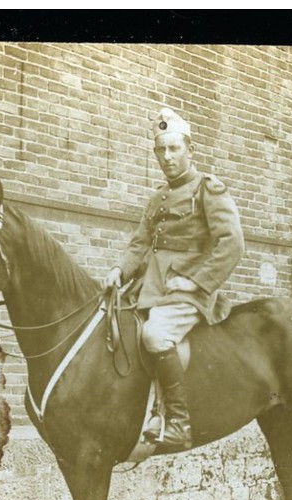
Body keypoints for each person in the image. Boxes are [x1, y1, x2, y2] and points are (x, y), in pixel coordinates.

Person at [104, 107, 245, 450]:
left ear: (189, 150)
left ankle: (178, 423)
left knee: (155, 335)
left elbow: (232, 243)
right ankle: (141, 415)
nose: (166, 157)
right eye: (160, 150)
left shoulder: (207, 189)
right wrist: (119, 271)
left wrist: (196, 282)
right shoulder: (158, 197)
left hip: (187, 291)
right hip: (149, 288)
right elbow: (140, 244)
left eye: (173, 149)